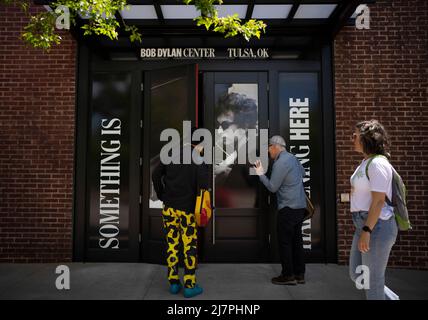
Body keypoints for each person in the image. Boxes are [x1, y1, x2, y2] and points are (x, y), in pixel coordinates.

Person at [152, 134, 209, 298]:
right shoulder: (199, 159)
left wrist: (162, 194)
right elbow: (204, 185)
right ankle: (190, 285)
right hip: (188, 211)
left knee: (172, 244)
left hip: (169, 208)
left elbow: (155, 174)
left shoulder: (171, 154)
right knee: (189, 247)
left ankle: (174, 283)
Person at [349, 120, 398, 300]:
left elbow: (378, 202)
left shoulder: (378, 164)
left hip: (376, 226)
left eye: (354, 136)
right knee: (358, 275)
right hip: (363, 225)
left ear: (366, 138)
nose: (351, 139)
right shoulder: (366, 162)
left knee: (372, 281)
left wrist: (367, 230)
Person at [254, 135, 307, 285]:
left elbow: (272, 187)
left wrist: (260, 174)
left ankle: (288, 275)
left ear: (275, 146)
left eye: (269, 147)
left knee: (285, 243)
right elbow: (302, 173)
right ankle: (300, 274)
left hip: (287, 208)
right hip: (300, 207)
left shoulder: (280, 163)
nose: (268, 151)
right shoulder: (293, 158)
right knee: (297, 242)